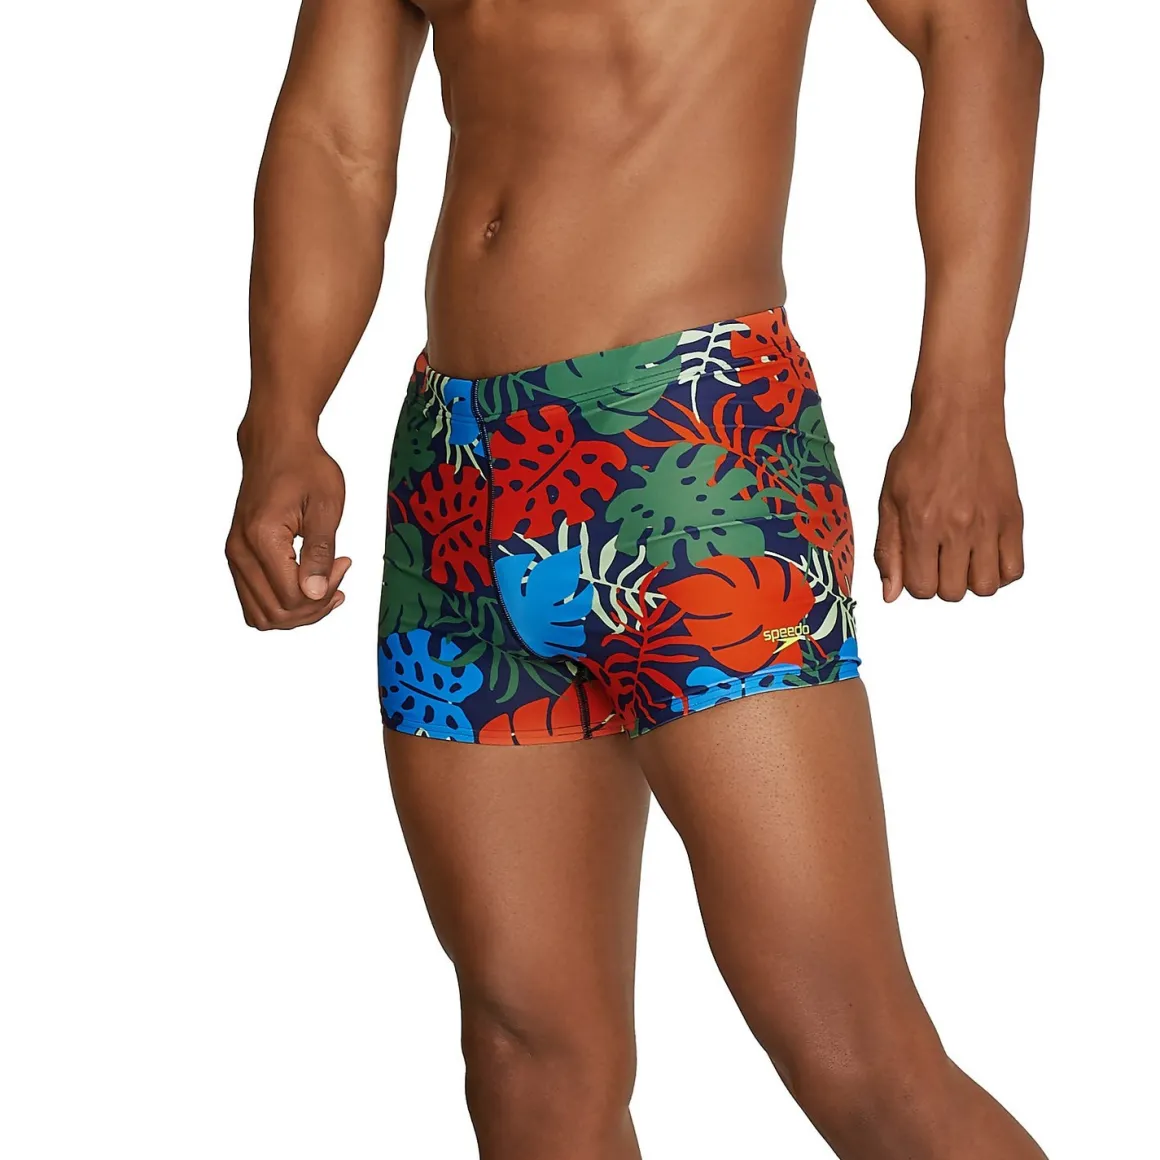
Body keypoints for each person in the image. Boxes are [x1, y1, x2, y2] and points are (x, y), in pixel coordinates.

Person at [226, 0, 1045, 1155]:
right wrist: (282, 416)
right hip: (455, 466)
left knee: (845, 1039)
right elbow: (336, 139)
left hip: (688, 431)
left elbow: (977, 35)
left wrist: (961, 395)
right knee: (525, 1055)